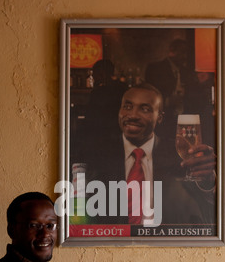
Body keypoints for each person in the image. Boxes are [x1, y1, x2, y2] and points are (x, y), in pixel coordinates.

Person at [84, 83, 216, 226]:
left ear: (159, 117)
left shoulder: (179, 154)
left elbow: (204, 204)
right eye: (127, 107)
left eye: (145, 109)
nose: (133, 115)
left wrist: (209, 179)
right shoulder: (97, 154)